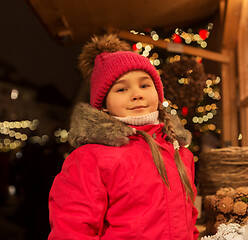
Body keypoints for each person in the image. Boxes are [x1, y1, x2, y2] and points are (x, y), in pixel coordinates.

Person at [48, 34, 199, 239]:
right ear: (103, 105)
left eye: (144, 85)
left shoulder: (179, 152)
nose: (136, 94)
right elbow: (72, 229)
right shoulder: (90, 158)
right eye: (121, 89)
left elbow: (189, 218)